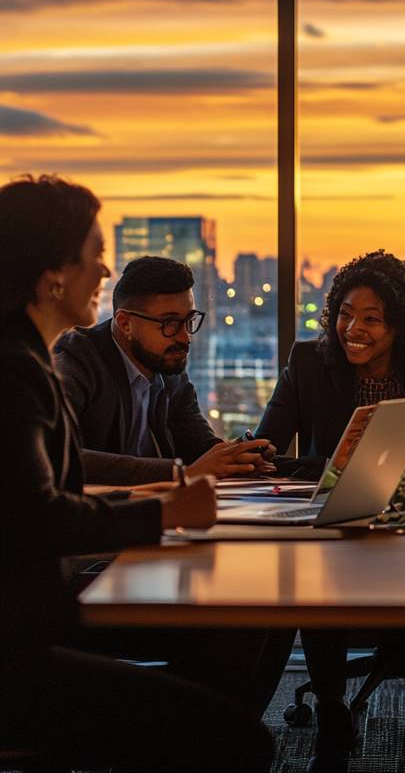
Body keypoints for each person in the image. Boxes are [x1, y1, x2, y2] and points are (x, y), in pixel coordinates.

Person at [0, 174, 273, 773]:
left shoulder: (29, 361)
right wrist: (166, 507)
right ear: (53, 274)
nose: (103, 271)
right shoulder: (19, 372)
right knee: (243, 743)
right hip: (20, 647)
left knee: (243, 631)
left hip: (45, 613)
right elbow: (36, 517)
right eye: (94, 257)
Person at [256, 249, 405, 772]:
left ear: (401, 327)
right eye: (345, 314)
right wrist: (331, 465)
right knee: (319, 577)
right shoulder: (308, 363)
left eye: (371, 319)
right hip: (336, 517)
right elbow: (265, 454)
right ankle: (329, 710)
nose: (353, 329)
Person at [55, 255, 276, 485]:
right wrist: (178, 473)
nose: (184, 337)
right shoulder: (78, 363)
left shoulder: (167, 365)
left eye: (189, 320)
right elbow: (60, 455)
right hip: (96, 514)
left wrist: (238, 457)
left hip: (157, 508)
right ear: (125, 323)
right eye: (169, 324)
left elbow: (196, 443)